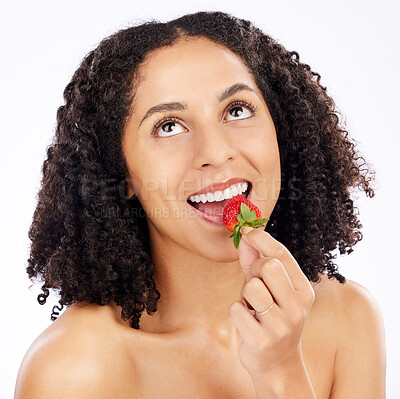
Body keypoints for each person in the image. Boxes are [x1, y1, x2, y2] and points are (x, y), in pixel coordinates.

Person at [14, 10, 386, 399]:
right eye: (169, 126)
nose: (216, 152)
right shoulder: (74, 369)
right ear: (120, 174)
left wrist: (282, 370)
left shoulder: (349, 319)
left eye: (237, 110)